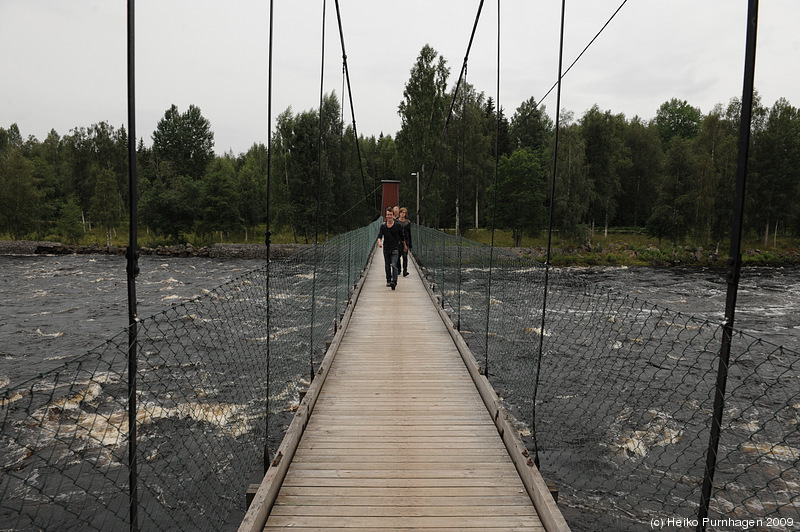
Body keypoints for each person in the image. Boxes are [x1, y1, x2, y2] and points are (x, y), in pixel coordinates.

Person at [377, 207, 405, 290]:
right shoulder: (383, 226)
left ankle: (394, 282)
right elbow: (379, 236)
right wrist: (379, 242)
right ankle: (388, 280)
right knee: (387, 265)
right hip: (386, 248)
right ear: (386, 216)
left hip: (395, 248)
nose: (389, 216)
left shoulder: (398, 226)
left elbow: (402, 237)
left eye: (391, 215)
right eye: (388, 215)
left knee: (394, 265)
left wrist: (405, 246)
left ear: (393, 216)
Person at [396, 207, 412, 277]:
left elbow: (409, 233)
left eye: (404, 213)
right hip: (398, 241)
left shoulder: (408, 223)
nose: (403, 214)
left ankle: (405, 270)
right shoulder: (396, 222)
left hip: (406, 241)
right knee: (398, 256)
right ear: (399, 213)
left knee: (405, 256)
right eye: (402, 212)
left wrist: (410, 244)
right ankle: (399, 270)